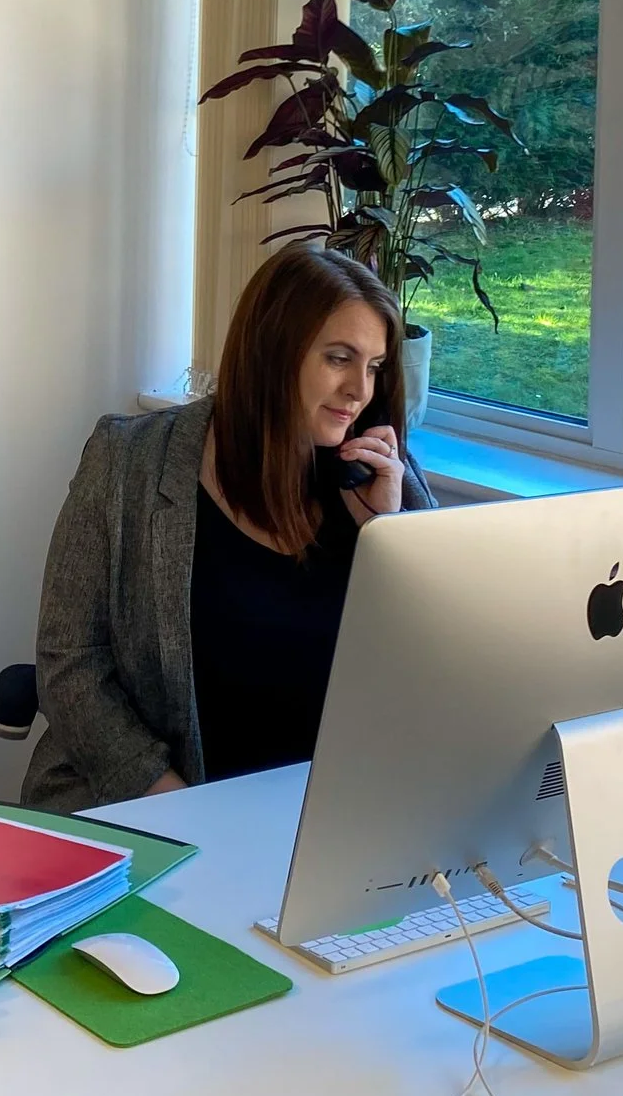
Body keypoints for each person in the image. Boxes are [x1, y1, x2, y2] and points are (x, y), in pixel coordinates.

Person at [22, 243, 435, 812]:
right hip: (151, 803)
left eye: (374, 367)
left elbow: (436, 664)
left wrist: (384, 532)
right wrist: (182, 809)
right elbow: (70, 662)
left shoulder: (384, 477)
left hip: (321, 811)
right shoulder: (127, 462)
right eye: (339, 358)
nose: (359, 391)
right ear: (272, 351)